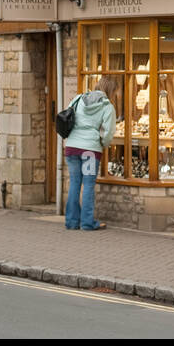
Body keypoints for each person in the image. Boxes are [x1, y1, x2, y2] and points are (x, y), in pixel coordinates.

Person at [63, 76, 118, 231]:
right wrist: (102, 144)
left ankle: (72, 222)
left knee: (74, 183)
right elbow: (109, 132)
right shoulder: (107, 106)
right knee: (88, 185)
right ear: (110, 91)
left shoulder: (78, 98)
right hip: (90, 151)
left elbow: (68, 116)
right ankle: (87, 223)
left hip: (72, 146)